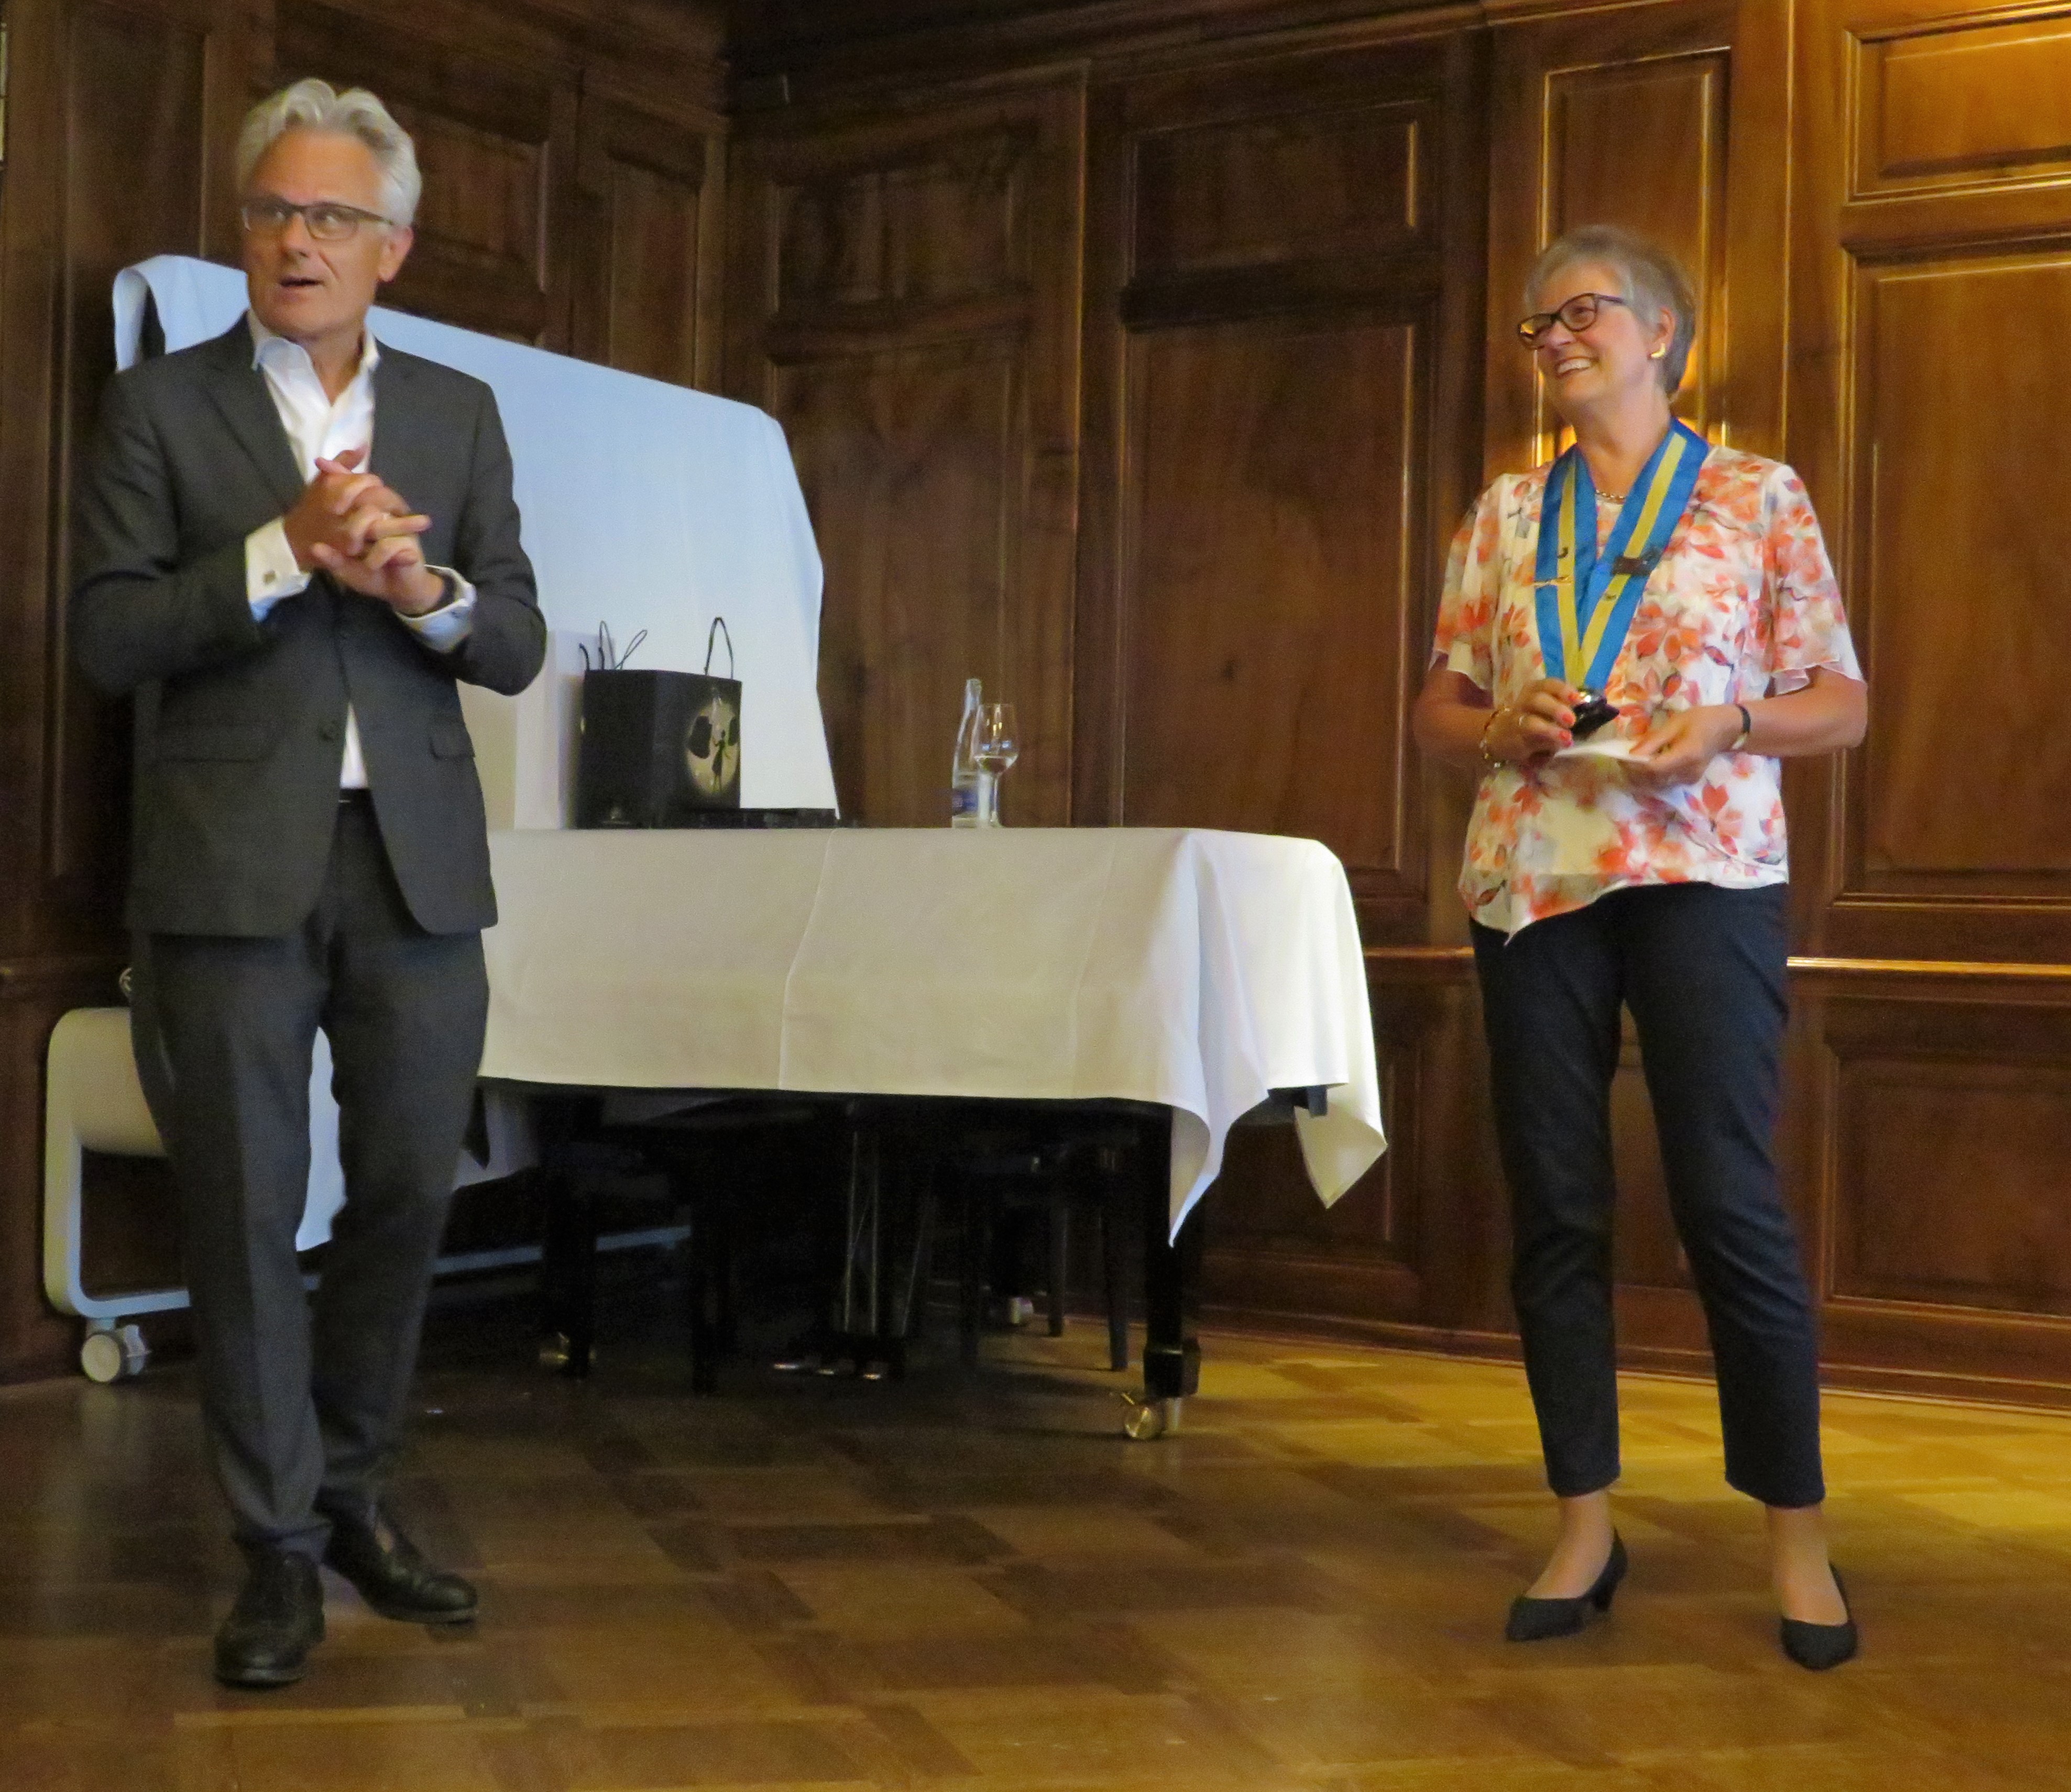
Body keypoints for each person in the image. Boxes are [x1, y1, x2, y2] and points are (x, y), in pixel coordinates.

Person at [71, 80, 544, 1688]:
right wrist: (279, 550)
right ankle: (273, 1547)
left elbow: (515, 639)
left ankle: (350, 1497)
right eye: (272, 210)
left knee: (410, 1191)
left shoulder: (461, 413)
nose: (297, 239)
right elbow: (110, 636)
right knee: (244, 1209)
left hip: (417, 875)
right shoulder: (160, 409)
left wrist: (423, 586)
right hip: (225, 871)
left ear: (390, 248)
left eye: (332, 216)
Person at [1410, 225, 1868, 1670]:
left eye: (1582, 312)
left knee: (1729, 1201)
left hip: (1705, 874)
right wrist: (1498, 724)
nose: (1554, 338)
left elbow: (1841, 703)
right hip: (1531, 882)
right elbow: (1437, 709)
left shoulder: (1754, 494)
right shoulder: (1503, 513)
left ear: (1662, 331)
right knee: (1555, 1204)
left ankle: (1795, 1539)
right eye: (1536, 323)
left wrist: (1729, 721)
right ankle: (1583, 1524)